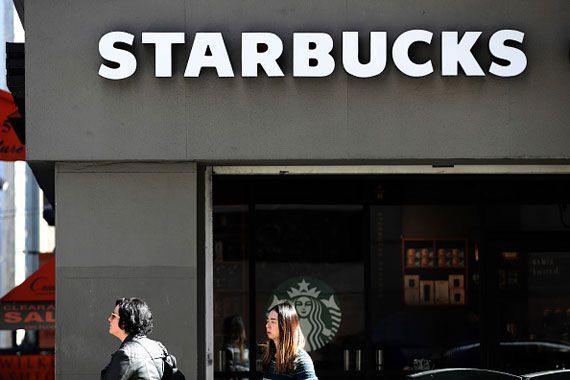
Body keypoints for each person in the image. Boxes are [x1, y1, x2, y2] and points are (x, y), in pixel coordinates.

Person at [101, 297, 170, 380]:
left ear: (124, 322)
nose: (109, 319)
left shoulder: (125, 355)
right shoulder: (158, 347)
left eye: (113, 316)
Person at [262, 301, 318, 380]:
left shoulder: (301, 360)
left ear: (285, 326)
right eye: (268, 321)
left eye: (273, 321)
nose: (267, 325)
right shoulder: (270, 357)